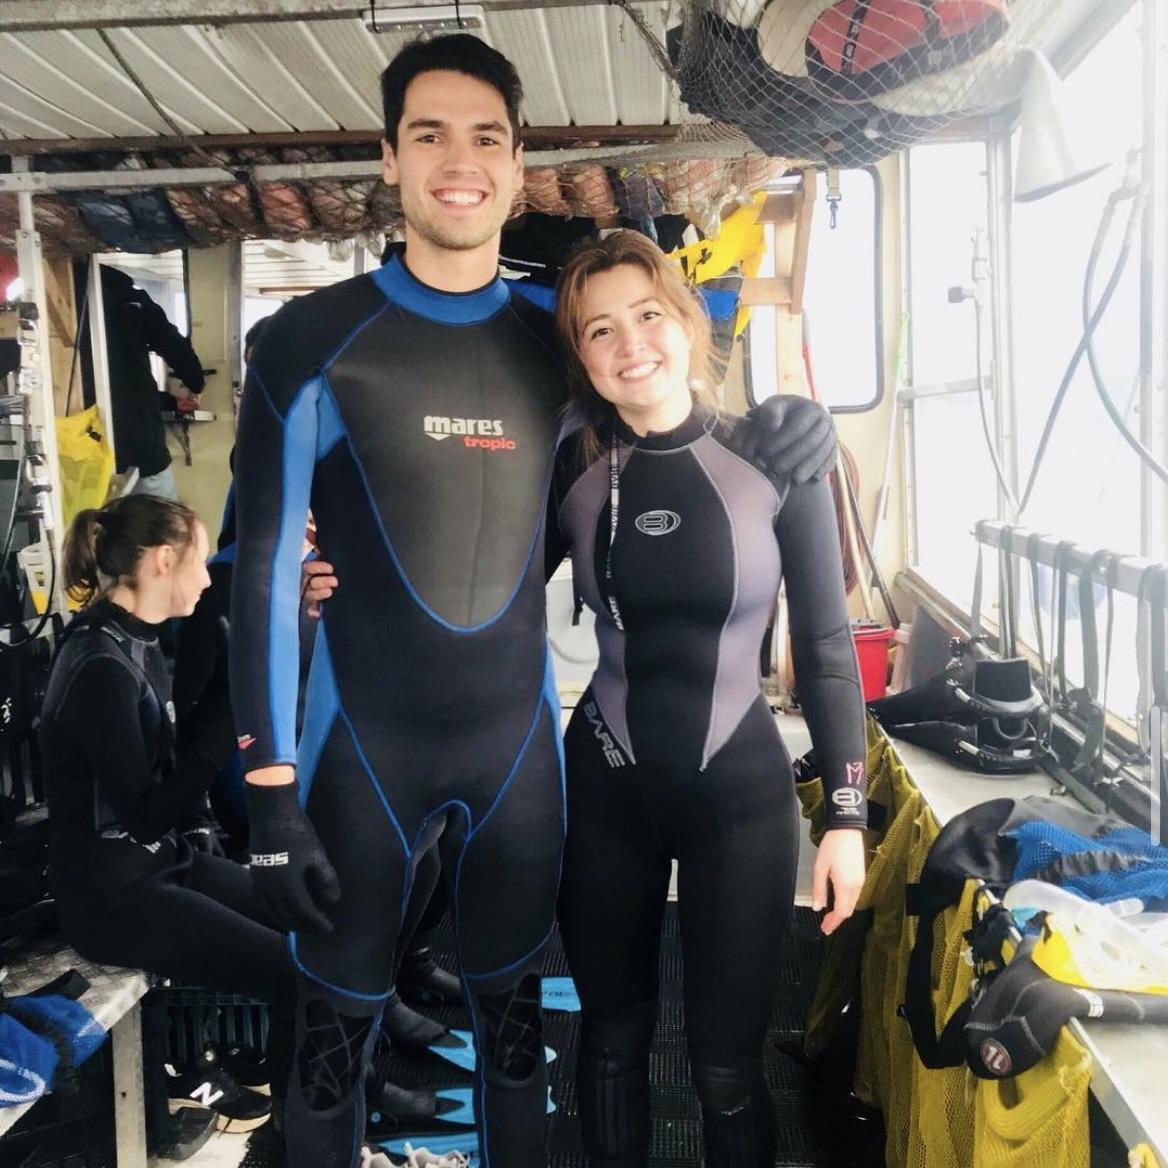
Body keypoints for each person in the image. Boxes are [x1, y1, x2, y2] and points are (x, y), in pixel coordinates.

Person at [230, 34, 839, 1168]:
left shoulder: (551, 345)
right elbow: (263, 563)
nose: (459, 162)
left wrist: (790, 426)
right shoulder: (309, 343)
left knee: (515, 1044)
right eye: (430, 136)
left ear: (516, 170)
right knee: (325, 1047)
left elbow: (661, 429)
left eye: (486, 139)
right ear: (390, 159)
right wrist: (268, 793)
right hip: (354, 753)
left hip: (517, 762)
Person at [547, 231, 868, 1167]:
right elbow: (472, 593)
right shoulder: (571, 469)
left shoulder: (777, 457)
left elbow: (826, 646)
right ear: (582, 355)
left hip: (741, 798)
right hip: (605, 784)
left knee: (726, 1069)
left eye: (648, 315)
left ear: (689, 324)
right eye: (599, 329)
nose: (629, 343)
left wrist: (845, 818)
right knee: (609, 1046)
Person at [37, 494, 296, 1131]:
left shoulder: (135, 638)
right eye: (200, 562)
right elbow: (146, 812)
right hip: (111, 895)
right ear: (161, 561)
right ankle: (306, 1137)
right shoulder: (98, 664)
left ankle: (325, 1093)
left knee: (308, 923)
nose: (208, 578)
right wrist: (225, 724)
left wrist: (203, 824)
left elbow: (163, 777)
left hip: (157, 863)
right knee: (293, 974)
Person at [87, 266, 204, 500]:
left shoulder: (61, 296)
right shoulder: (132, 302)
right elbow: (173, 345)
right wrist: (195, 383)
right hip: (140, 445)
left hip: (83, 447)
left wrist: (170, 401)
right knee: (162, 524)